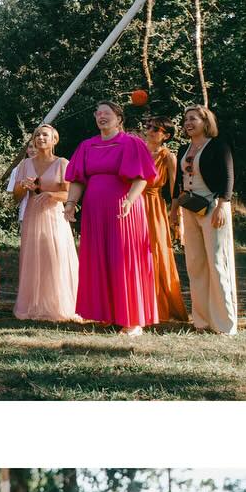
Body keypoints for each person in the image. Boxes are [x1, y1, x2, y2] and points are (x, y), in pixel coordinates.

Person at [63, 101, 159, 333]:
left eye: (107, 113)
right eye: (99, 114)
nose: (102, 117)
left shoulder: (131, 143)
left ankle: (132, 320)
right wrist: (70, 204)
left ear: (119, 118)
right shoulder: (87, 145)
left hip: (123, 208)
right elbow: (77, 178)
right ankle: (105, 314)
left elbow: (142, 178)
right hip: (94, 211)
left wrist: (130, 200)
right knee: (99, 259)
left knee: (123, 259)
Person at [173, 105, 238, 335]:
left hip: (213, 207)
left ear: (205, 121)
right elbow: (177, 182)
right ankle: (201, 321)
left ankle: (225, 324)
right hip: (189, 209)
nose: (188, 123)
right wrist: (174, 210)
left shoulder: (218, 146)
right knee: (195, 264)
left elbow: (228, 177)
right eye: (186, 119)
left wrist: (223, 204)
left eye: (193, 118)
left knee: (217, 263)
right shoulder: (183, 148)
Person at [12, 124, 80, 323]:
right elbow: (16, 197)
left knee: (54, 258)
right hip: (33, 216)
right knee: (33, 259)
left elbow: (70, 194)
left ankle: (59, 305)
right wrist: (24, 187)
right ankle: (33, 305)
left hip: (54, 216)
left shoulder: (62, 164)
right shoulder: (25, 165)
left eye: (45, 135)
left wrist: (51, 193)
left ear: (54, 140)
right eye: (37, 135)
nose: (40, 138)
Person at [139, 115, 187, 324]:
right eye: (148, 126)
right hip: (132, 205)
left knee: (156, 250)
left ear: (166, 136)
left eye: (155, 129)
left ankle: (159, 304)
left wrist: (177, 215)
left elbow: (175, 188)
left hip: (153, 205)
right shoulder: (136, 150)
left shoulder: (168, 156)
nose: (149, 130)